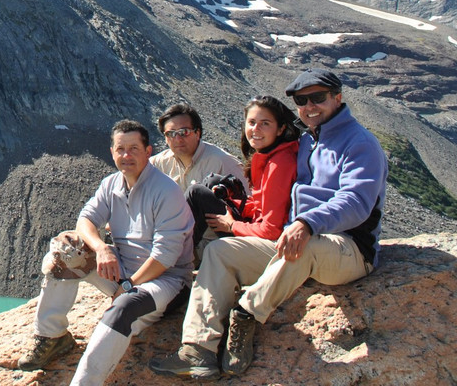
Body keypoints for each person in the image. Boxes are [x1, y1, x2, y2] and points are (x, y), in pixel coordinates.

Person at [149, 69, 387, 380]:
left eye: (318, 98)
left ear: (338, 98)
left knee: (306, 243)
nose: (310, 106)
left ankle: (246, 314)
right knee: (220, 251)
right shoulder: (309, 141)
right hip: (293, 242)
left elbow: (357, 202)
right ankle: (198, 350)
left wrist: (307, 223)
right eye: (303, 100)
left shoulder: (360, 143)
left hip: (348, 247)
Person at [16, 120, 194, 385]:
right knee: (65, 251)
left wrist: (129, 284)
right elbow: (85, 219)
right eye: (120, 149)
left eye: (134, 148)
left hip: (164, 281)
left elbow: (165, 256)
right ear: (112, 152)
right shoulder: (111, 184)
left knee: (124, 307)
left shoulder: (166, 192)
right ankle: (52, 337)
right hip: (124, 273)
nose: (126, 155)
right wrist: (101, 249)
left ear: (148, 151)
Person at [184, 95, 300, 249]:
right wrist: (235, 204)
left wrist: (232, 225)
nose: (255, 129)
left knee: (196, 193)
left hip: (267, 242)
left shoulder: (279, 164)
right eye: (252, 122)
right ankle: (182, 252)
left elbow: (271, 230)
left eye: (265, 123)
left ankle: (175, 257)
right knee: (212, 183)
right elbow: (261, 206)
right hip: (256, 227)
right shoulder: (271, 156)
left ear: (280, 129)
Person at [151, 103, 248, 194]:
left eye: (184, 132)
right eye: (170, 134)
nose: (178, 139)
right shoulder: (158, 163)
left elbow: (248, 202)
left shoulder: (223, 163)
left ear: (197, 133)